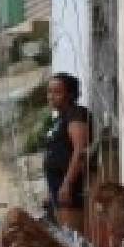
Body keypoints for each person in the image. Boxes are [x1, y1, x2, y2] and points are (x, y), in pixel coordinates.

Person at [44, 72, 92, 233]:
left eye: (57, 92)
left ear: (70, 94)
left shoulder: (75, 114)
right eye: (49, 92)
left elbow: (80, 150)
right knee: (64, 235)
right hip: (58, 185)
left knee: (73, 236)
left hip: (72, 185)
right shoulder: (60, 119)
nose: (51, 96)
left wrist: (67, 184)